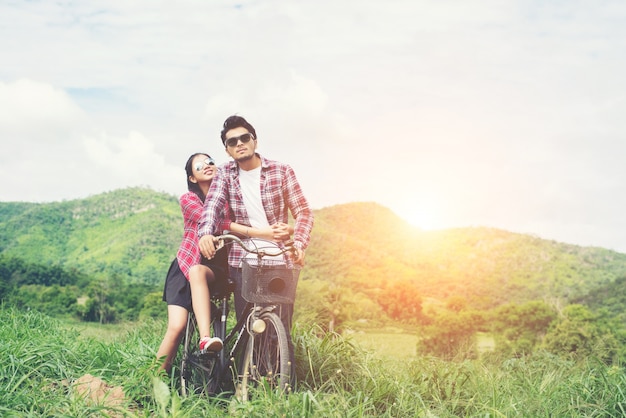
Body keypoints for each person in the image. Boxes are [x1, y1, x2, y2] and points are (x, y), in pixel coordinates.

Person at [156, 152, 293, 372]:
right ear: (192, 178)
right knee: (176, 326)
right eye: (200, 166)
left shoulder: (228, 200)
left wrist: (282, 231)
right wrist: (257, 231)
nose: (208, 166)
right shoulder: (189, 199)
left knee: (218, 297)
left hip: (217, 270)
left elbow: (243, 217)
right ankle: (152, 377)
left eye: (211, 162)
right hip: (185, 269)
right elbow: (213, 220)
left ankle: (230, 365)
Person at [198, 115, 314, 325]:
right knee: (248, 327)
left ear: (254, 141)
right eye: (232, 142)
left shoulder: (281, 171)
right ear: (227, 150)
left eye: (244, 138)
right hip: (244, 259)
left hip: (281, 258)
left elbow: (304, 212)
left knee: (281, 328)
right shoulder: (224, 173)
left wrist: (299, 244)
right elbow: (212, 206)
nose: (239, 144)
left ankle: (279, 359)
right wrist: (205, 233)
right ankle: (247, 358)